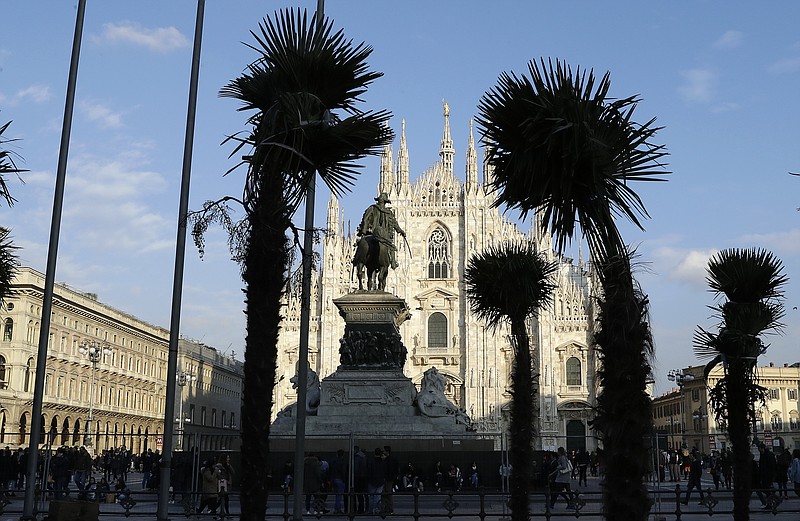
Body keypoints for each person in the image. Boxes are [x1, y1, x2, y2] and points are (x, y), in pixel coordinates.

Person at [356, 192, 406, 270]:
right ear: (385, 202)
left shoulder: (372, 208)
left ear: (378, 200)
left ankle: (356, 258)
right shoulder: (388, 212)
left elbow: (365, 219)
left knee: (360, 244)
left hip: (373, 232)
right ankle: (393, 262)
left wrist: (363, 231)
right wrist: (401, 231)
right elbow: (394, 224)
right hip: (383, 235)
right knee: (391, 247)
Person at [331, 449, 348, 514]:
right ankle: (337, 509)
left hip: (335, 478)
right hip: (340, 479)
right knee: (339, 495)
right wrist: (344, 479)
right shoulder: (343, 461)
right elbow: (343, 471)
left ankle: (337, 509)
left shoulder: (334, 461)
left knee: (337, 495)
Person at [382, 446, 399, 514]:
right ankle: (388, 508)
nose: (383, 452)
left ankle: (389, 508)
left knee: (388, 493)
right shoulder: (392, 459)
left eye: (384, 451)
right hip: (390, 478)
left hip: (388, 478)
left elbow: (388, 469)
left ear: (387, 451)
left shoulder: (388, 460)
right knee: (388, 493)